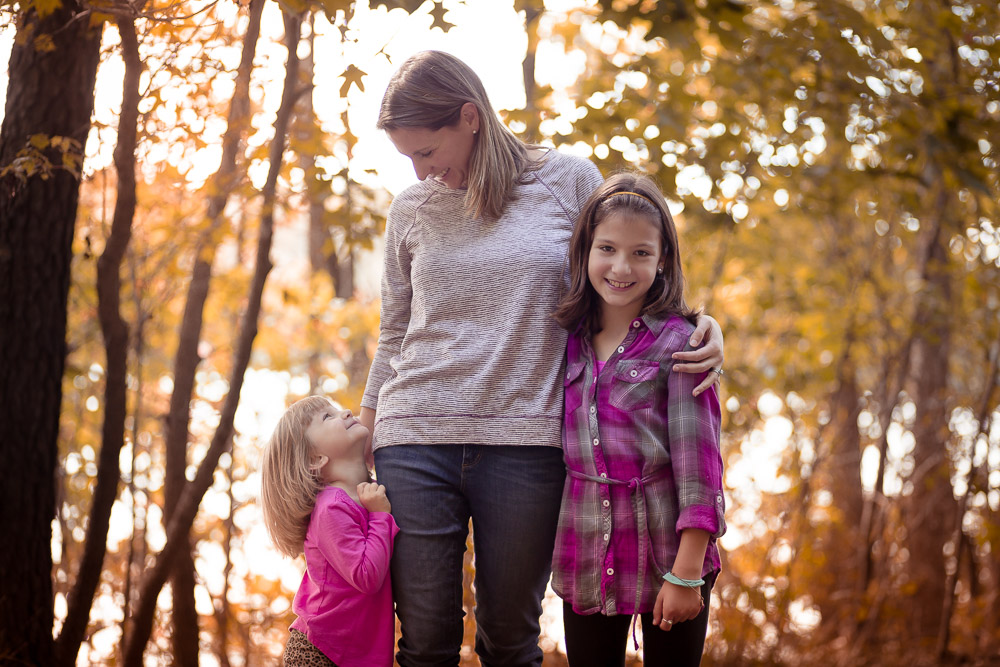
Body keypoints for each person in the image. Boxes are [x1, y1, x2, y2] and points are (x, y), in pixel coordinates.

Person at [359, 50, 725, 667]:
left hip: (527, 442)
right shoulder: (411, 209)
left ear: (469, 117)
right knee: (424, 641)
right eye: (409, 160)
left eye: (427, 152)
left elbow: (623, 258)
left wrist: (696, 324)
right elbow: (395, 329)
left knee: (509, 638)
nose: (421, 172)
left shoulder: (567, 183)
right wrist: (366, 427)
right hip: (413, 436)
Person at [551, 173, 726, 667]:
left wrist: (687, 571)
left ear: (663, 257)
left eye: (641, 253)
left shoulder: (680, 344)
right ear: (585, 249)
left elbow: (700, 467)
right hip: (585, 548)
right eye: (606, 248)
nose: (621, 267)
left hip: (670, 551)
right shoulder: (567, 340)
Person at [259, 396, 399, 667]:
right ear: (316, 459)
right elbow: (367, 575)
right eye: (328, 417)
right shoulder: (331, 507)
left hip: (348, 654)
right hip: (319, 654)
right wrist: (381, 516)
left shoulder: (364, 497)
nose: (346, 412)